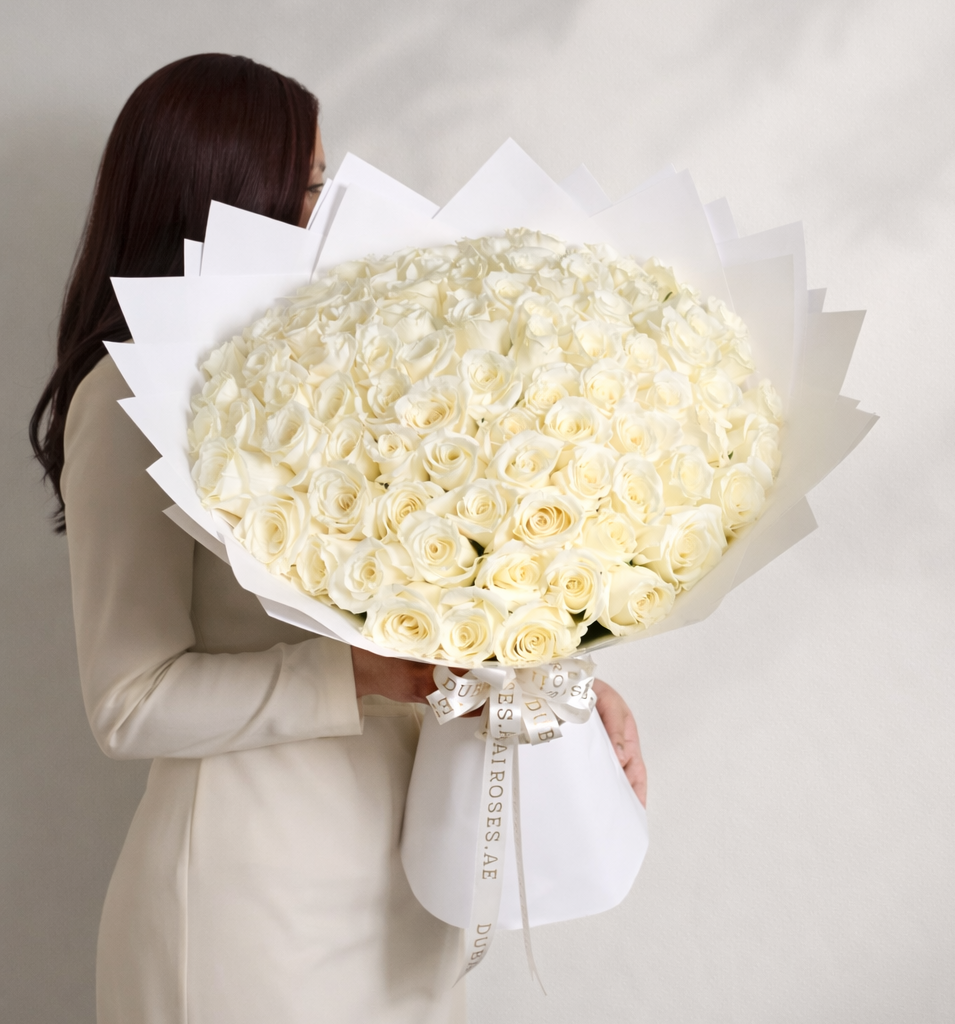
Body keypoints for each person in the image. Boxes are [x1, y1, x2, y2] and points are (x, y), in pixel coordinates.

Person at [30, 53, 647, 1024]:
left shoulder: (352, 375)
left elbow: (446, 613)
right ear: (229, 199)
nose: (334, 210)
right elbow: (129, 702)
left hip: (403, 891)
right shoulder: (125, 398)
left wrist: (557, 684)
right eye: (310, 187)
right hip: (249, 918)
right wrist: (354, 673)